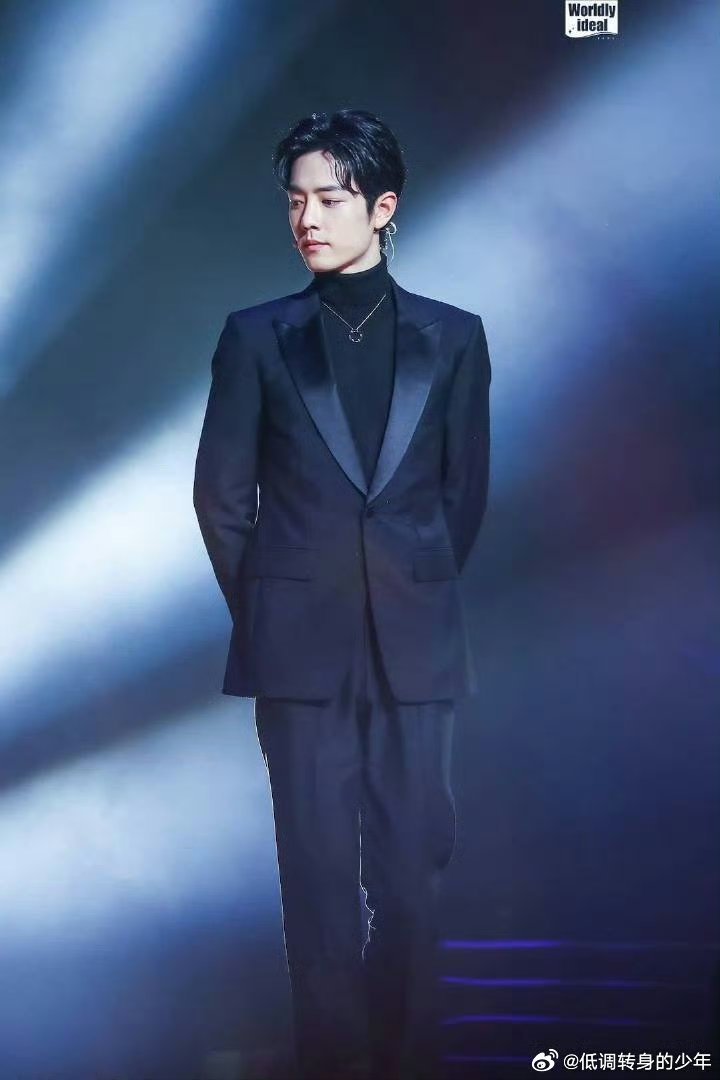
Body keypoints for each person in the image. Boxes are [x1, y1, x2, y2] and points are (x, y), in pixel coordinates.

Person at [193, 108, 492, 1080]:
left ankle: (406, 1060)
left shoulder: (454, 338)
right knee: (317, 883)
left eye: (329, 197)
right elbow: (220, 498)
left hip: (416, 644)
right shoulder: (256, 337)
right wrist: (273, 610)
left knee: (414, 878)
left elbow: (464, 494)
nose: (308, 219)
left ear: (384, 206)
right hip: (299, 650)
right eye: (296, 200)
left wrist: (408, 589)